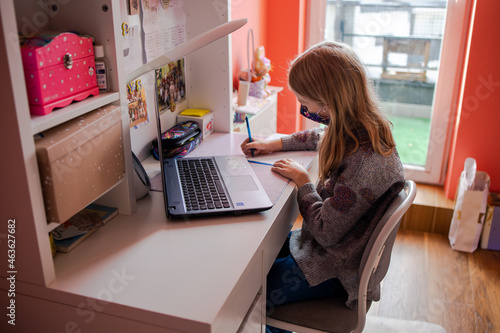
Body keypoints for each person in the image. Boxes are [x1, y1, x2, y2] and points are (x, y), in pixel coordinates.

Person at [240, 41, 405, 333]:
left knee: (251, 294)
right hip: (329, 250)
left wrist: (304, 182)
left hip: (334, 267)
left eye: (304, 101)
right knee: (255, 257)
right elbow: (321, 136)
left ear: (328, 104)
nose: (303, 108)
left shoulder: (364, 165)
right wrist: (276, 143)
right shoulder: (363, 128)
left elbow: (326, 232)